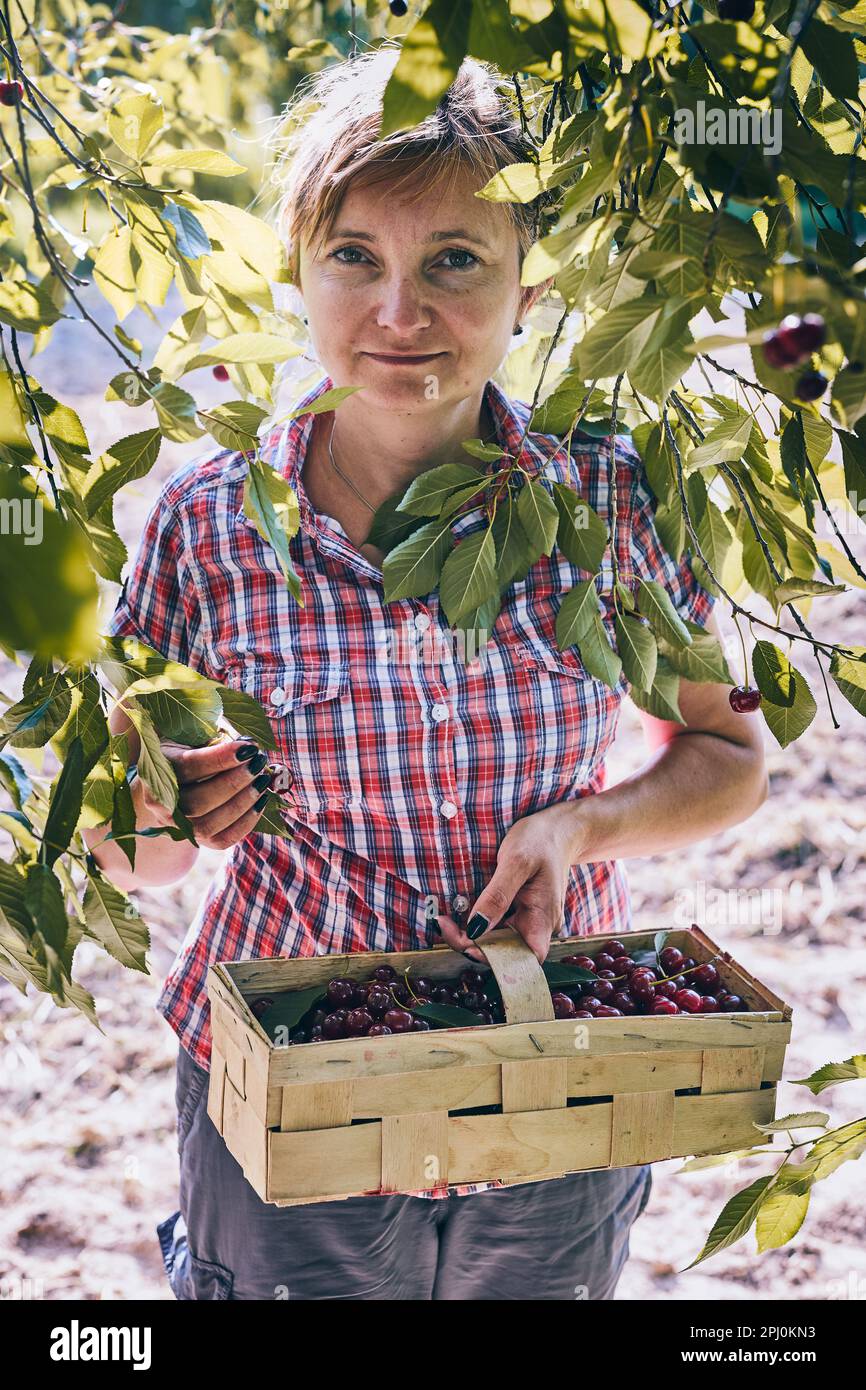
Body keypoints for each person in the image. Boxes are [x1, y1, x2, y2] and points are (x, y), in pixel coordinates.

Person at [84, 47, 768, 1301]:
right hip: (298, 1084)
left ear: (528, 279)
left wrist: (581, 825)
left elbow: (733, 759)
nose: (400, 313)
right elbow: (145, 861)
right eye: (355, 256)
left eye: (453, 258)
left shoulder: (604, 500)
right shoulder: (210, 526)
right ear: (299, 266)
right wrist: (160, 802)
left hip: (553, 1053)